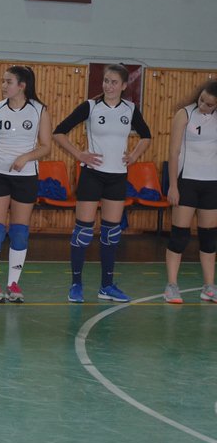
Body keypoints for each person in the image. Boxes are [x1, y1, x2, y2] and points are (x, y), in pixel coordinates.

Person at [53, 64, 151, 303]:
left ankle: (106, 286)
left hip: (117, 177)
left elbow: (146, 136)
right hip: (92, 175)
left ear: (124, 85)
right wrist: (80, 154)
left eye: (114, 82)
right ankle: (76, 285)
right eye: (106, 81)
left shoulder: (130, 109)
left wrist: (134, 155)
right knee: (83, 232)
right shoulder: (91, 106)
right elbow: (59, 132)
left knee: (111, 233)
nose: (108, 86)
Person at [0, 65, 51, 303]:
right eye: (3, 81)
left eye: (8, 82)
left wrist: (26, 157)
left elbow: (46, 146)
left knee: (19, 232)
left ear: (22, 85)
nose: (3, 85)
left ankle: (13, 284)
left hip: (26, 177)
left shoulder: (39, 110)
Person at [163, 80, 217, 304]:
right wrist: (173, 185)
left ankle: (209, 287)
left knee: (209, 238)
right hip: (186, 182)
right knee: (179, 236)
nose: (203, 105)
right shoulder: (184, 114)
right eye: (201, 100)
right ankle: (172, 286)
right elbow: (173, 152)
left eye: (209, 104)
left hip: (211, 183)